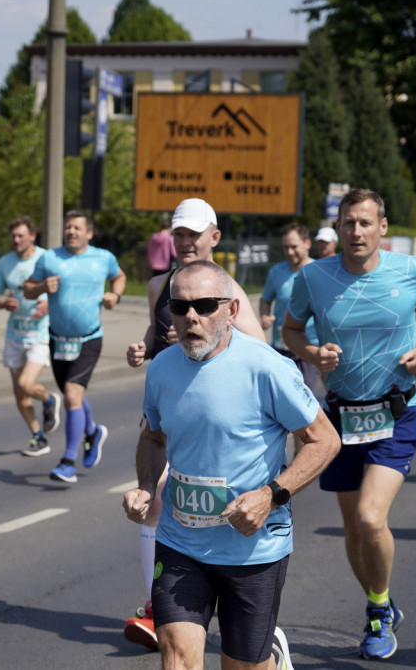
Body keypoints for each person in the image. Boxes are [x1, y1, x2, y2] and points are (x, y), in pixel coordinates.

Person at [122, 260, 341, 670]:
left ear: (231, 311)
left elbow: (324, 440)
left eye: (204, 305)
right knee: (177, 656)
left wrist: (269, 496)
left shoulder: (268, 366)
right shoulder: (163, 367)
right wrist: (146, 487)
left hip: (252, 549)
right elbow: (153, 437)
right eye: (179, 306)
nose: (191, 316)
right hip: (180, 540)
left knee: (241, 666)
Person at [283, 188, 416, 659]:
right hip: (341, 415)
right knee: (355, 532)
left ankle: (377, 612)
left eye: (364, 223)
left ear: (383, 227)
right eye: (347, 223)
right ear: (337, 228)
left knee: (369, 516)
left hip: (398, 408)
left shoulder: (413, 270)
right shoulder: (314, 276)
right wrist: (312, 352)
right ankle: (380, 600)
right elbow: (290, 330)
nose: (355, 232)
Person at [124, 197, 265, 650]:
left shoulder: (229, 292)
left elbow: (258, 349)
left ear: (214, 238)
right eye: (179, 234)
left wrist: (204, 328)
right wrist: (144, 348)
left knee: (195, 503)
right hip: (169, 402)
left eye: (193, 235)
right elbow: (154, 329)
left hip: (218, 408)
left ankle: (254, 623)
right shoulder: (158, 286)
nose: (184, 243)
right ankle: (155, 607)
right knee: (157, 497)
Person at [24, 210, 126, 484]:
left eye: (77, 228)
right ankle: (92, 432)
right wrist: (42, 286)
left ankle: (68, 462)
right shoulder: (49, 258)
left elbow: (119, 277)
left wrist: (114, 295)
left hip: (89, 339)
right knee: (73, 397)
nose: (71, 231)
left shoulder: (103, 258)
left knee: (71, 395)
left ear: (89, 233)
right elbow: (27, 289)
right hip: (57, 340)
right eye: (68, 227)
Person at [0, 216, 61, 457]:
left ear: (32, 236)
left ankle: (49, 400)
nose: (16, 240)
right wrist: (2, 303)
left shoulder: (46, 259)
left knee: (26, 384)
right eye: (13, 236)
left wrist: (49, 306)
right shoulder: (5, 262)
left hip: (39, 333)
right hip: (14, 334)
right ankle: (38, 437)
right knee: (20, 394)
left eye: (21, 235)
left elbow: (64, 290)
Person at [260, 223, 322, 395]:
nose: (289, 252)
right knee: (279, 396)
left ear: (307, 244)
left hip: (309, 346)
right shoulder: (276, 272)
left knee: (303, 395)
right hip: (281, 347)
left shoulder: (321, 271)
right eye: (286, 247)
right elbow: (265, 299)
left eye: (294, 247)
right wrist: (265, 316)